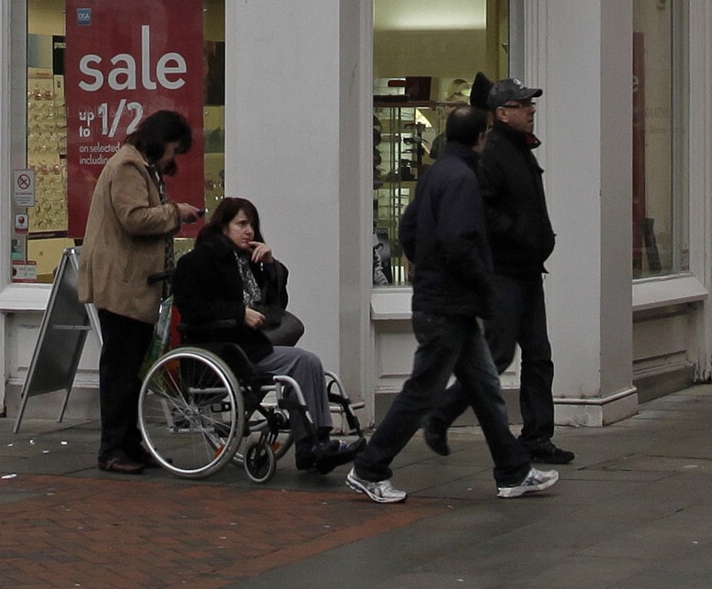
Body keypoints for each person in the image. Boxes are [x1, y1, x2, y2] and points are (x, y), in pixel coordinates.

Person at [344, 106, 558, 504]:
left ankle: (513, 471)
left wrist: (424, 268)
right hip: (448, 305)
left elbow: (408, 229)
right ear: (480, 137)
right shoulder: (463, 178)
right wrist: (485, 287)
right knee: (422, 391)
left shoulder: (436, 174)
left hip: (442, 300)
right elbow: (458, 243)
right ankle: (369, 467)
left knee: (486, 387)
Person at [422, 78, 571, 466]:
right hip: (504, 272)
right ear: (502, 113)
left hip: (527, 271)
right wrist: (517, 234)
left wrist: (539, 238)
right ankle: (441, 413)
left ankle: (538, 435)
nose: (531, 111)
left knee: (539, 355)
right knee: (498, 356)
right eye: (523, 105)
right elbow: (482, 209)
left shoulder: (522, 151)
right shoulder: (493, 154)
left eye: (530, 105)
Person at [170, 197, 360, 473]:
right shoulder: (197, 262)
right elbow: (192, 307)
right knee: (304, 362)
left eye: (253, 225)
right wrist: (239, 313)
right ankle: (312, 443)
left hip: (247, 345)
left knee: (305, 362)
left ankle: (317, 440)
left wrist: (271, 266)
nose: (249, 231)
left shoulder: (247, 261)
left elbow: (275, 307)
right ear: (223, 226)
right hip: (219, 348)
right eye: (242, 224)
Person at [78, 108, 203, 474]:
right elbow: (133, 218)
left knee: (132, 370)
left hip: (134, 287)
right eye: (173, 150)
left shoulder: (139, 165)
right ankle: (113, 449)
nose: (172, 159)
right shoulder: (128, 167)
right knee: (120, 369)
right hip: (123, 287)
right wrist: (176, 212)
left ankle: (130, 444)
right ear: (161, 140)